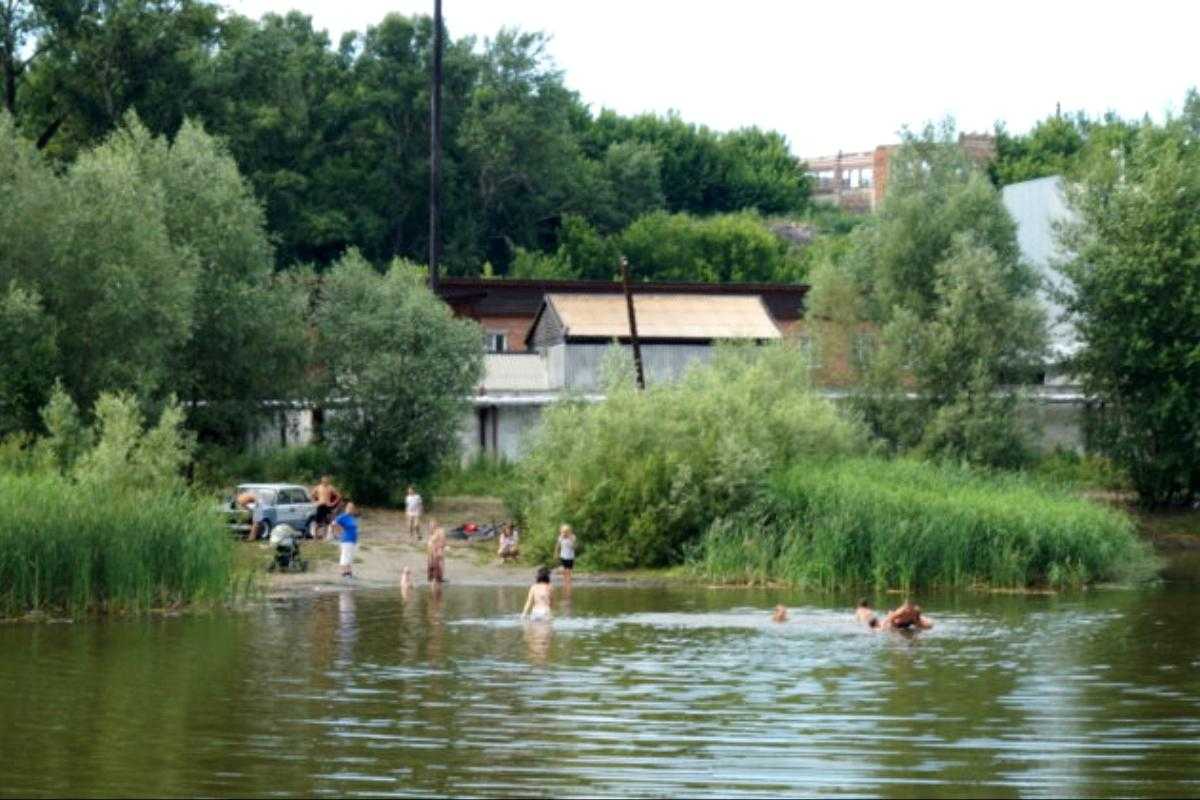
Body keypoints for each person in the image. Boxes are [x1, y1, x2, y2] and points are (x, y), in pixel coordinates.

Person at [332, 502, 360, 579]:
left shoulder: (352, 517)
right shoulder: (343, 516)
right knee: (345, 556)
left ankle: (349, 572)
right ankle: (343, 573)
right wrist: (337, 532)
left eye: (353, 508)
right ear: (346, 508)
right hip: (346, 540)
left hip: (353, 540)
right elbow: (334, 523)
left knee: (350, 557)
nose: (351, 509)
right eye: (350, 508)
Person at [311, 476, 342, 540]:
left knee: (327, 522)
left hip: (327, 506)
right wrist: (315, 501)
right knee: (318, 522)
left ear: (328, 481)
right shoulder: (318, 487)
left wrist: (333, 503)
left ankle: (324, 536)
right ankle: (315, 536)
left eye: (326, 481)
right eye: (323, 481)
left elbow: (338, 496)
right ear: (321, 481)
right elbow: (312, 495)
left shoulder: (330, 487)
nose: (325, 482)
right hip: (320, 505)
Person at [555, 524, 576, 591]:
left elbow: (574, 547)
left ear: (569, 531)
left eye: (566, 531)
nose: (565, 533)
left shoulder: (572, 537)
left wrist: (570, 538)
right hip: (563, 555)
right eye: (563, 531)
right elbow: (557, 546)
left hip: (570, 556)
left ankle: (568, 583)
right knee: (565, 570)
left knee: (569, 570)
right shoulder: (560, 537)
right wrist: (556, 553)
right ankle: (565, 583)